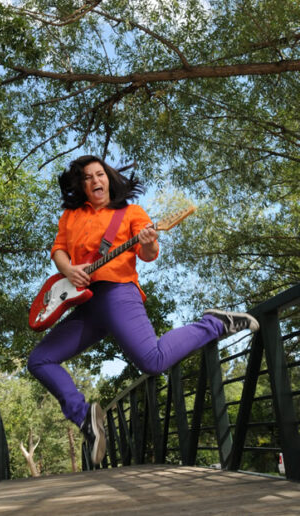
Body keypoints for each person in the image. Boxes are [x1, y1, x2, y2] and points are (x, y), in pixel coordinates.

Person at [28, 155, 259, 466]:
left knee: (153, 360)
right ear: (82, 186)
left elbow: (149, 254)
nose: (95, 180)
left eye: (100, 174)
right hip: (84, 303)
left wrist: (149, 241)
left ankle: (215, 323)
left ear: (109, 178)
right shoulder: (72, 215)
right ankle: (85, 418)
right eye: (87, 177)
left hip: (118, 294)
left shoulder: (131, 212)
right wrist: (69, 270)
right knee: (39, 359)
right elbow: (57, 249)